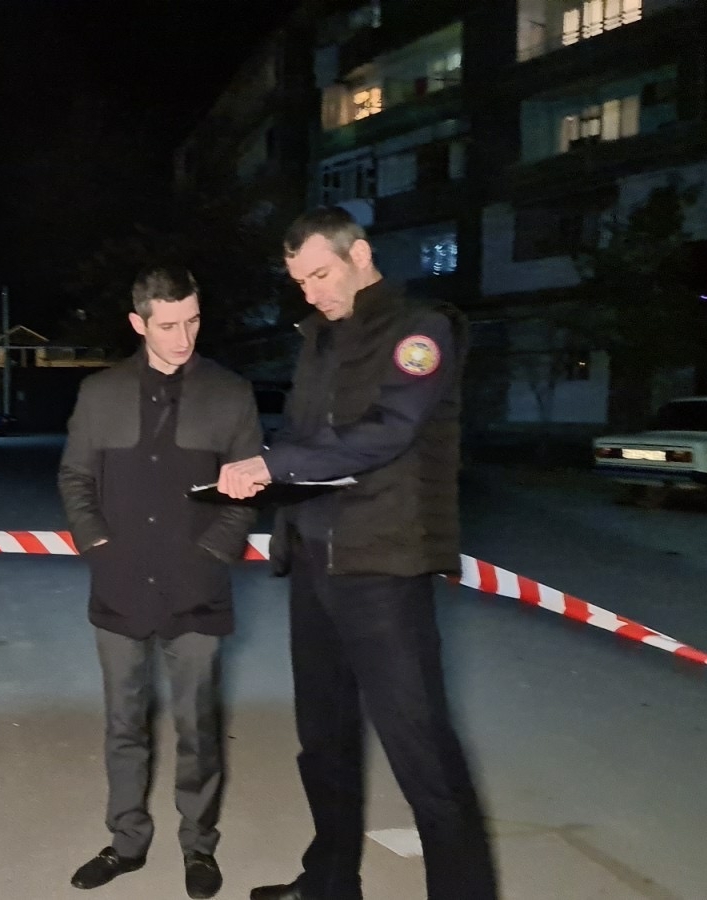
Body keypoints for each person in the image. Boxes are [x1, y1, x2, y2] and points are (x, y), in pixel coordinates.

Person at [215, 208, 498, 900]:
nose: (311, 292)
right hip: (315, 561)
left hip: (382, 567)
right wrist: (260, 473)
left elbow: (389, 432)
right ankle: (330, 882)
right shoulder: (317, 338)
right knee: (324, 739)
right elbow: (305, 440)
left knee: (420, 750)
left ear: (360, 254)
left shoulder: (420, 330)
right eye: (299, 282)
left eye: (320, 274)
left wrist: (275, 463)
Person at [58, 265, 263, 900]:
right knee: (124, 723)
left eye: (193, 321)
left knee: (197, 726)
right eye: (168, 325)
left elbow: (248, 491)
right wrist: (98, 546)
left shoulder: (230, 394)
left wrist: (212, 554)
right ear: (138, 323)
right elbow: (75, 478)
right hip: (118, 587)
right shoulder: (100, 393)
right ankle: (126, 842)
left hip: (197, 591)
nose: (183, 338)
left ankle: (199, 847)